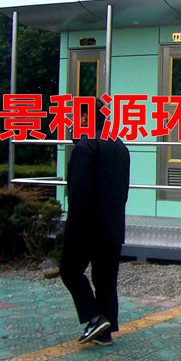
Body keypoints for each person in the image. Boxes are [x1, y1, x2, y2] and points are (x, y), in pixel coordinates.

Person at [59, 97, 130, 346]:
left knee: (69, 271)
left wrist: (71, 228)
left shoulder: (85, 147)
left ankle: (93, 317)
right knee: (105, 279)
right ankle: (105, 332)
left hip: (87, 226)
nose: (72, 122)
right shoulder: (119, 145)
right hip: (113, 225)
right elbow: (123, 191)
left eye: (75, 117)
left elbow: (78, 194)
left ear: (86, 118)